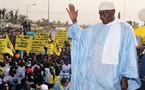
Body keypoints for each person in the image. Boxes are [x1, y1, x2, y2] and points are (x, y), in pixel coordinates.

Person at [66, 1, 141, 90]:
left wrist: (125, 78)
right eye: (100, 13)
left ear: (113, 11)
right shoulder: (95, 28)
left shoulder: (125, 29)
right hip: (91, 81)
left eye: (104, 13)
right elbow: (81, 37)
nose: (102, 16)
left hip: (111, 82)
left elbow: (129, 55)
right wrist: (74, 20)